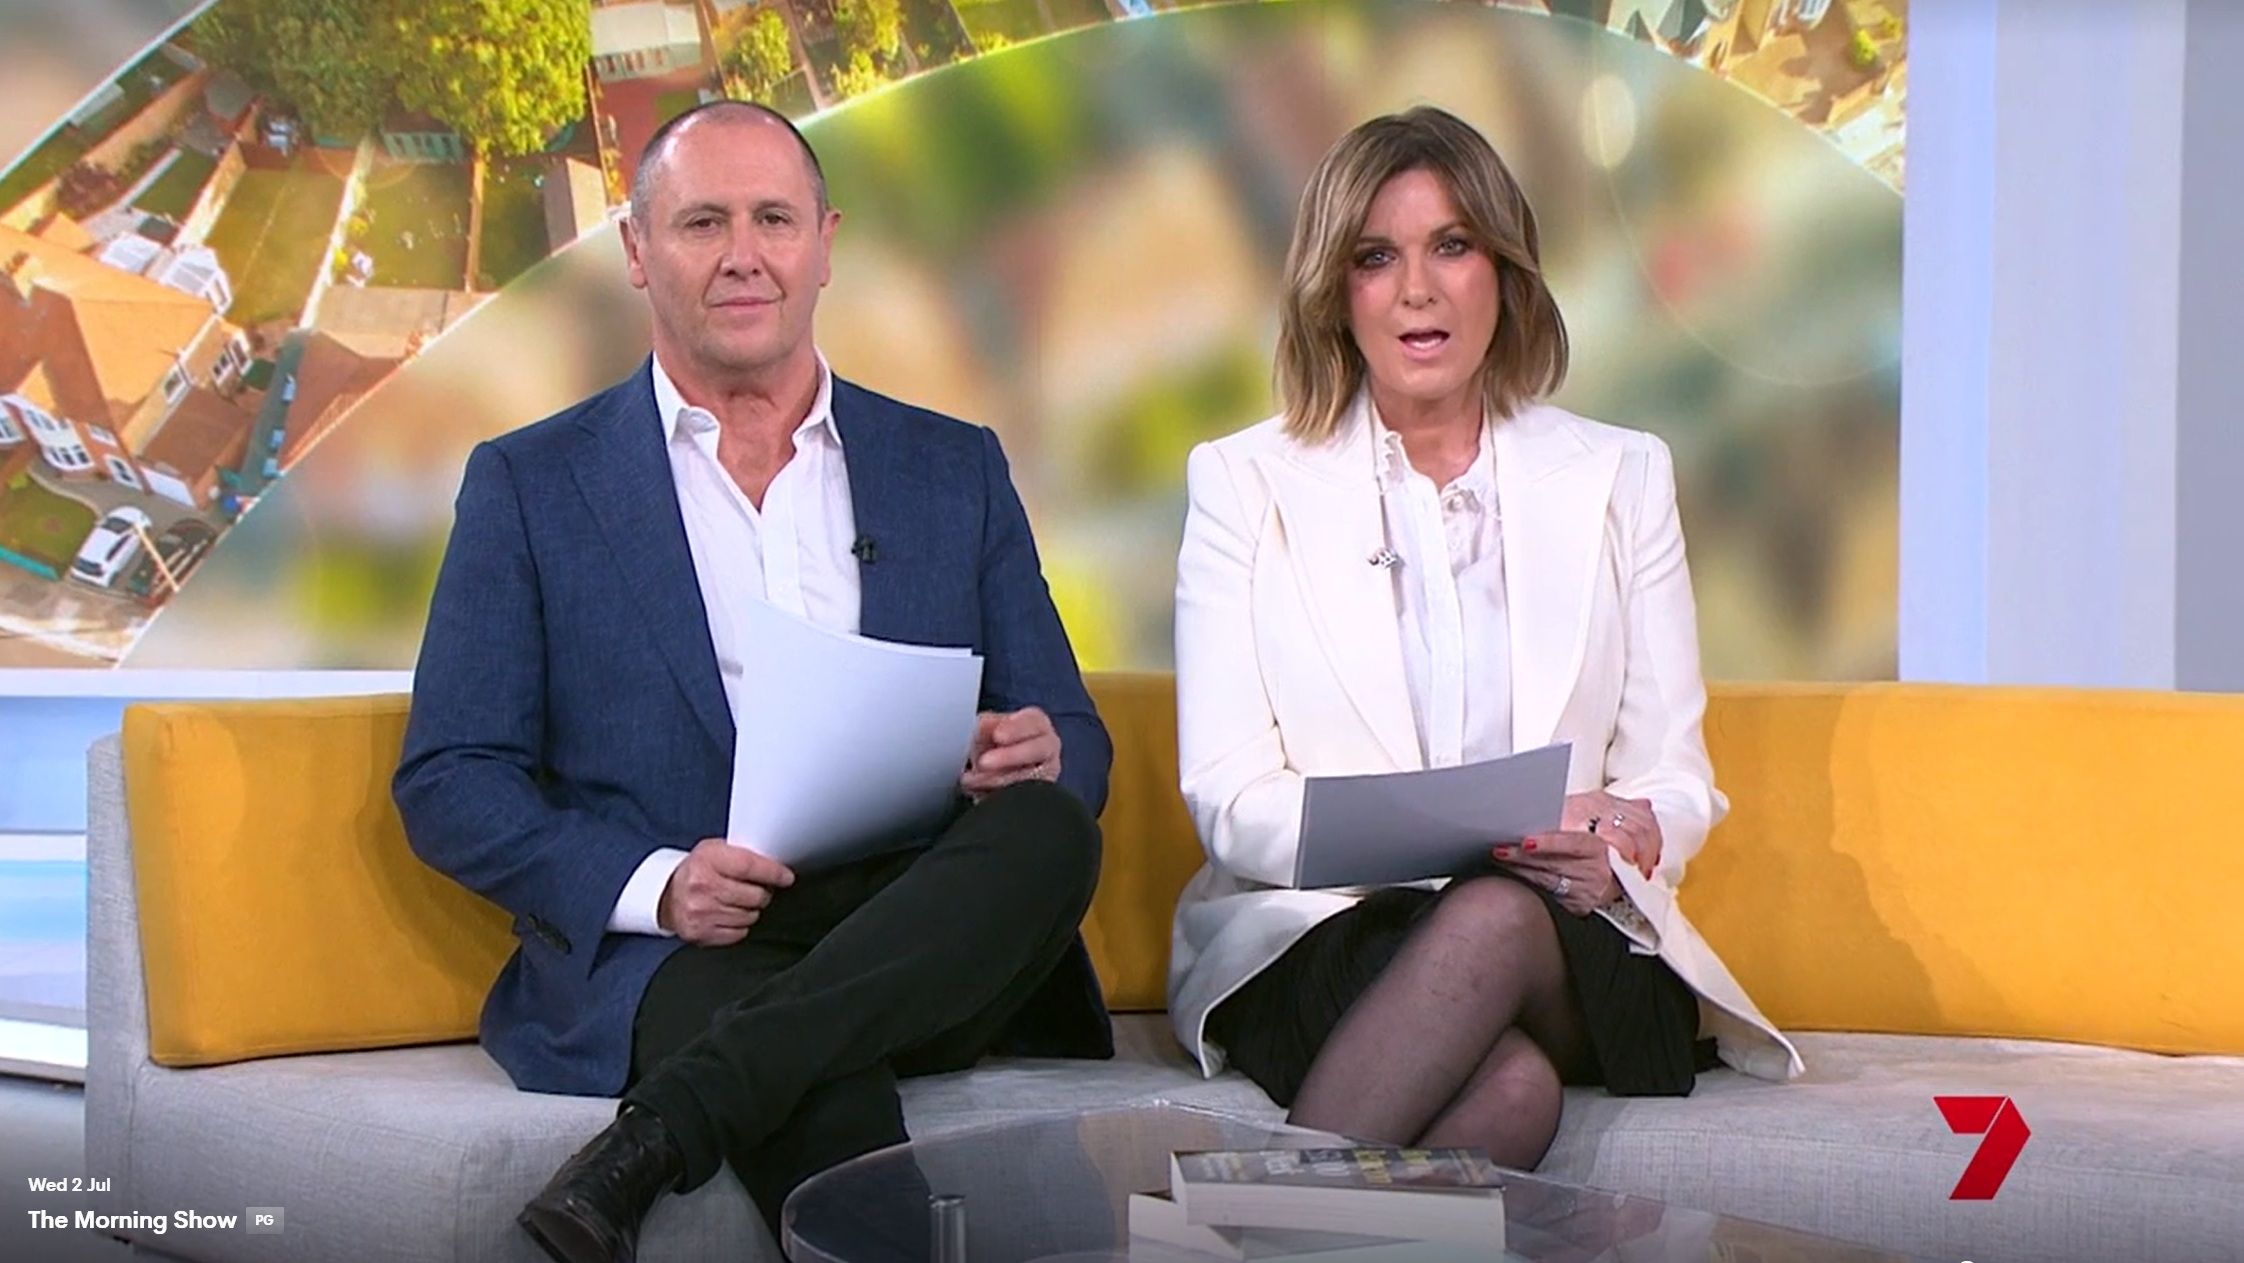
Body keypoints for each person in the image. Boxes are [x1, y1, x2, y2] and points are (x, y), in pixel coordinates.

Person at [393, 100, 1114, 1263]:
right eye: (703, 223)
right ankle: (751, 1103)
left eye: (774, 219)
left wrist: (1037, 751)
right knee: (798, 1068)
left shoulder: (953, 467)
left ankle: (655, 1137)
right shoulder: (532, 485)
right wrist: (662, 887)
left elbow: (1074, 738)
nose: (743, 255)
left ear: (825, 244)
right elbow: (450, 778)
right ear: (637, 251)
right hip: (690, 955)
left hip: (920, 932)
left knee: (1049, 829)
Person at [1167, 106, 1801, 1170]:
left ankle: (1238, 1226)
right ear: (1336, 290)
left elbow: (1673, 778)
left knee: (1497, 916)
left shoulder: (1622, 475)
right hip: (1330, 928)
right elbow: (1234, 804)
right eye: (1377, 256)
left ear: (1504, 272)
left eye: (1452, 246)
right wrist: (1485, 828)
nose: (1417, 289)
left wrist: (1629, 838)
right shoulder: (1244, 484)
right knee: (1511, 1091)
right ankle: (1276, 1227)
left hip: (1566, 933)